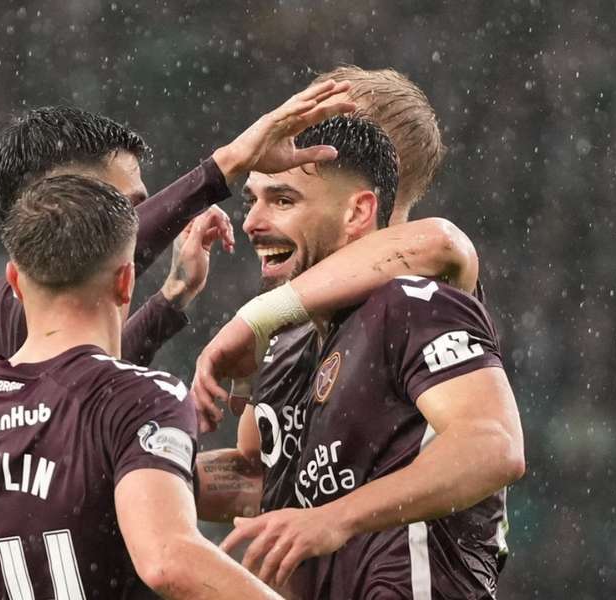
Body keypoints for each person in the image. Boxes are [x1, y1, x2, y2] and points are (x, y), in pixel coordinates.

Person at [0, 175, 281, 599]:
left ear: (15, 282)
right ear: (126, 280)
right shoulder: (144, 397)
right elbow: (167, 559)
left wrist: (172, 298)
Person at [211, 116, 525, 599]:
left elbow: (493, 445)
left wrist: (334, 519)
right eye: (252, 200)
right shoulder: (287, 344)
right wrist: (136, 473)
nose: (251, 221)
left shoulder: (409, 302)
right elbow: (262, 481)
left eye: (283, 199)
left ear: (358, 213)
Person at [0, 80, 356, 404]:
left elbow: (74, 391)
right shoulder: (0, 304)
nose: (128, 226)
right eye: (122, 208)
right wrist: (226, 165)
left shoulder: (7, 326)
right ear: (54, 198)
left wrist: (171, 300)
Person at [193, 67, 478, 525]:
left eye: (327, 122)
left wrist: (257, 316)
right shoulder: (291, 325)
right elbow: (260, 478)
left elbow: (443, 242)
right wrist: (137, 477)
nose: (293, 136)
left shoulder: (418, 293)